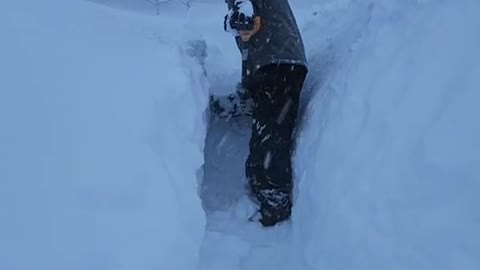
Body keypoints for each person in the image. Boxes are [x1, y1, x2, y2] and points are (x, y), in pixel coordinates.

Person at [210, 0, 308, 226]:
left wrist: (238, 17)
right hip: (271, 63)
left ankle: (275, 202)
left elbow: (247, 20)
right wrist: (244, 95)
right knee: (264, 137)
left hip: (281, 62)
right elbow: (250, 37)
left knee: (270, 137)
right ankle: (265, 192)